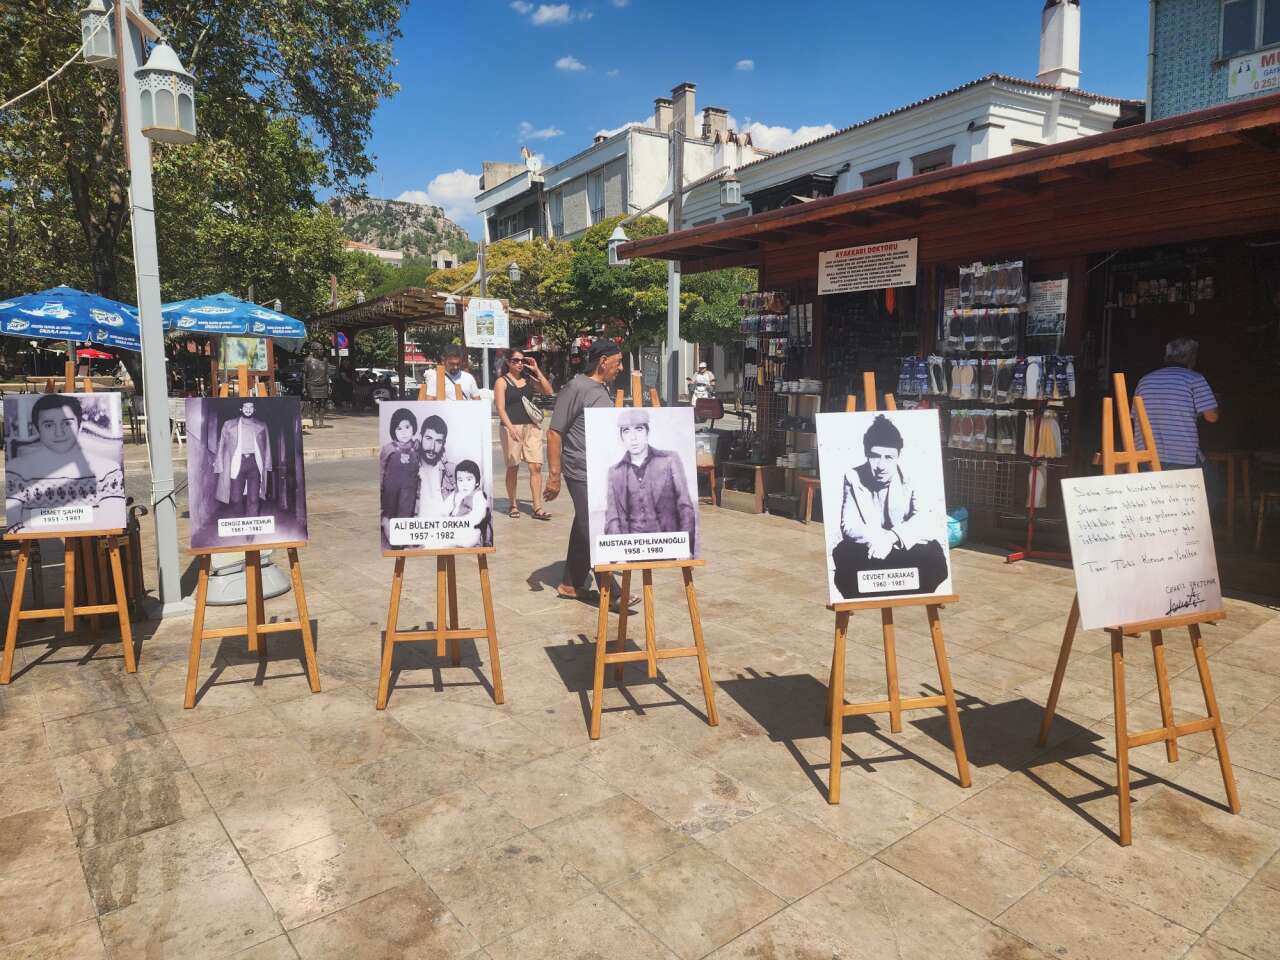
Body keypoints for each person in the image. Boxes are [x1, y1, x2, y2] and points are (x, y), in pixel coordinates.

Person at [544, 338, 636, 607]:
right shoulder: (575, 388)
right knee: (595, 526)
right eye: (618, 362)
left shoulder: (601, 389)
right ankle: (613, 591)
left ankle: (570, 584)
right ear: (603, 361)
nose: (620, 368)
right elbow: (554, 432)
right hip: (579, 469)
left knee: (584, 525)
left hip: (600, 469)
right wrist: (554, 475)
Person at [830, 414, 948, 599]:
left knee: (933, 556)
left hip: (903, 547)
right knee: (844, 553)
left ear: (898, 455)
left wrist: (891, 538)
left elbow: (924, 518)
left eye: (889, 457)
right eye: (875, 456)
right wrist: (878, 541)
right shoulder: (853, 476)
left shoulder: (913, 475)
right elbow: (849, 524)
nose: (881, 465)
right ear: (866, 454)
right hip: (871, 549)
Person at [5, 394, 125, 533]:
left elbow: (113, 519)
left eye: (67, 423)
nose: (59, 433)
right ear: (38, 429)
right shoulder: (17, 470)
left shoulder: (107, 470)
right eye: (49, 425)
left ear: (79, 426)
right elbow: (13, 523)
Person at [604, 408, 697, 554]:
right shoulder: (615, 472)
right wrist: (617, 552)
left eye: (639, 429)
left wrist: (685, 547)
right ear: (621, 436)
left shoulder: (669, 460)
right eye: (626, 431)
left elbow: (685, 506)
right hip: (631, 550)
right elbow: (612, 517)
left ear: (647, 431)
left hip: (668, 547)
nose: (633, 437)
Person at [1134, 338, 1219, 475]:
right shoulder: (1194, 379)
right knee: (1212, 480)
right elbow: (1212, 417)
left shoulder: (1144, 380)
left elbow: (1136, 417)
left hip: (1145, 457)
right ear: (1190, 358)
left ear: (1167, 356)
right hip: (1181, 458)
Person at [495, 349, 553, 520]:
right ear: (508, 362)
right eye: (515, 360)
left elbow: (548, 391)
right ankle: (513, 504)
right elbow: (500, 408)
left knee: (536, 466)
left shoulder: (528, 380)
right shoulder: (502, 382)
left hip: (532, 427)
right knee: (513, 467)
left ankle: (537, 507)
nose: (519, 363)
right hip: (511, 427)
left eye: (522, 360)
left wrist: (536, 370)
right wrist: (510, 427)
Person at [214, 400, 272, 518]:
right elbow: (221, 445)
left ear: (254, 409)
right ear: (241, 408)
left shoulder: (261, 425)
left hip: (254, 463)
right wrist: (218, 463)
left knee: (254, 499)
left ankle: (250, 529)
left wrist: (268, 463)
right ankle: (241, 521)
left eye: (251, 407)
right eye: (246, 407)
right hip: (236, 463)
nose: (248, 409)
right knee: (235, 498)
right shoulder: (229, 424)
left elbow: (267, 447)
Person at [380, 407, 420, 524]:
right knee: (389, 514)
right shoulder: (389, 449)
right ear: (394, 431)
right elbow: (381, 470)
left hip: (409, 490)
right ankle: (390, 534)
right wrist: (380, 488)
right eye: (399, 428)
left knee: (406, 514)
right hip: (390, 490)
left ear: (414, 427)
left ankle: (403, 537)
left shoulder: (417, 448)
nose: (404, 432)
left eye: (407, 427)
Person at [415, 414, 456, 517]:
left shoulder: (452, 471)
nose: (432, 447)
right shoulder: (407, 469)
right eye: (428, 438)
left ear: (443, 443)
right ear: (420, 437)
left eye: (438, 441)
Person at [450, 458, 492, 547]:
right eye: (460, 480)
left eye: (469, 479)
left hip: (472, 534)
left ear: (477, 482)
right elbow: (445, 510)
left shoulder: (477, 496)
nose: (464, 484)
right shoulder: (456, 495)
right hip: (457, 531)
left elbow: (477, 517)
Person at [304, 343, 330, 428]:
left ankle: (321, 422)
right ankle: (314, 422)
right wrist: (304, 387)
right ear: (314, 351)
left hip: (323, 385)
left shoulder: (325, 360)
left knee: (322, 404)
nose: (321, 351)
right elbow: (305, 375)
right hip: (312, 385)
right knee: (314, 404)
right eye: (319, 349)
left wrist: (329, 386)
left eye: (322, 349)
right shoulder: (308, 360)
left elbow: (327, 374)